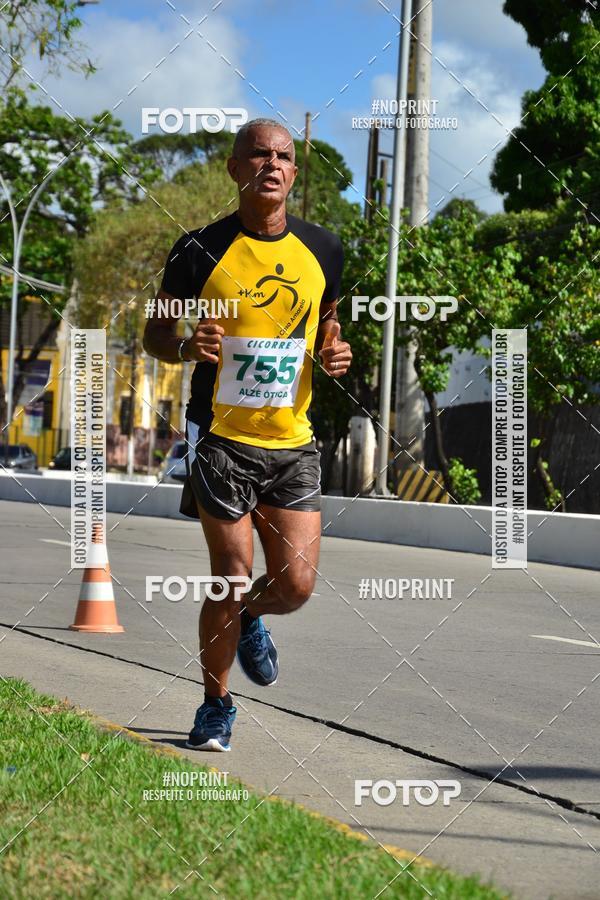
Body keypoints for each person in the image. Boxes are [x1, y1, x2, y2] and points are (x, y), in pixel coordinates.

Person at [143, 117, 352, 751]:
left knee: (294, 586)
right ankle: (215, 705)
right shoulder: (199, 250)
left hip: (293, 444)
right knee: (230, 577)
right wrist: (186, 346)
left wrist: (335, 353)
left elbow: (328, 327)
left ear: (294, 172)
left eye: (283, 157)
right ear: (235, 170)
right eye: (257, 155)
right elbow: (154, 335)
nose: (271, 165)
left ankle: (253, 618)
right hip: (223, 439)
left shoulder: (324, 249)